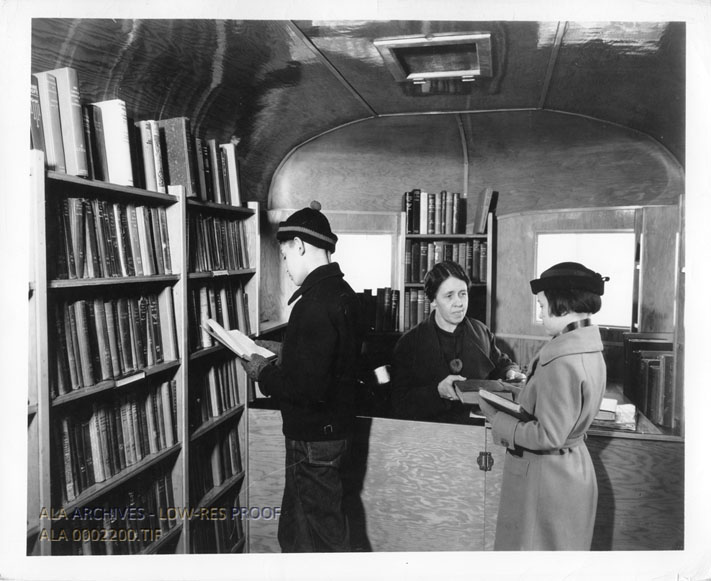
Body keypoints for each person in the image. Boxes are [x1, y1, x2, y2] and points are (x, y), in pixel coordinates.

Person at [240, 201, 364, 552]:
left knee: (322, 542)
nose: (286, 266)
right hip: (334, 435)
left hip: (311, 442)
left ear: (300, 246)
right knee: (298, 535)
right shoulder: (343, 294)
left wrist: (263, 371)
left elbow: (305, 388)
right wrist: (285, 350)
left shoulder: (312, 303)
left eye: (284, 257)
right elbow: (329, 361)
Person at [478, 261, 609, 550]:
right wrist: (523, 393)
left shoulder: (561, 360)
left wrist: (496, 419)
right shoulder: (588, 348)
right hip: (571, 470)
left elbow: (548, 435)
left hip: (546, 479)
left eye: (542, 305)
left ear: (560, 305)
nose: (540, 313)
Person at [390, 260, 525, 423]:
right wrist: (437, 392)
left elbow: (503, 365)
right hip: (429, 430)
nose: (459, 303)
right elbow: (398, 403)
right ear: (433, 300)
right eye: (449, 296)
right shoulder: (409, 343)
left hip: (477, 428)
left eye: (463, 294)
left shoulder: (481, 331)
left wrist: (511, 372)